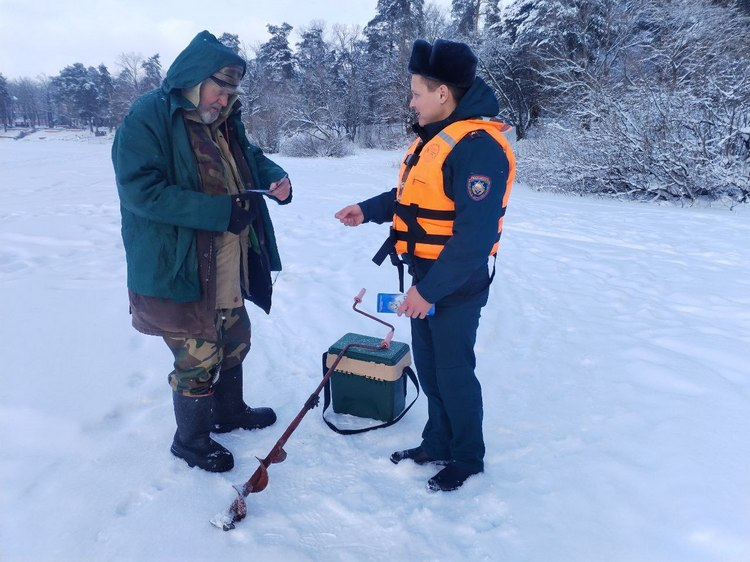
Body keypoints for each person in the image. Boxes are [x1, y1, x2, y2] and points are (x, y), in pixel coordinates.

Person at [334, 38, 515, 492]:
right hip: (425, 279)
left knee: (454, 374)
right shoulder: (436, 139)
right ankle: (437, 442)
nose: (412, 102)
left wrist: (428, 291)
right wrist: (367, 209)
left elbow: (474, 239)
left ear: (443, 94)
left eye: (417, 93)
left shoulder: (478, 148)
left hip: (455, 285)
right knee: (432, 371)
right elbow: (411, 198)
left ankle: (467, 457)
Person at [112, 31, 292, 473]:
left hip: (227, 253)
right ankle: (190, 441)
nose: (225, 100)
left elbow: (248, 154)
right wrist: (219, 212)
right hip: (178, 262)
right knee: (198, 353)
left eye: (232, 93)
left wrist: (274, 175)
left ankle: (229, 412)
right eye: (220, 90)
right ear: (194, 79)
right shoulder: (148, 117)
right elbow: (141, 192)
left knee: (234, 337)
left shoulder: (223, 117)